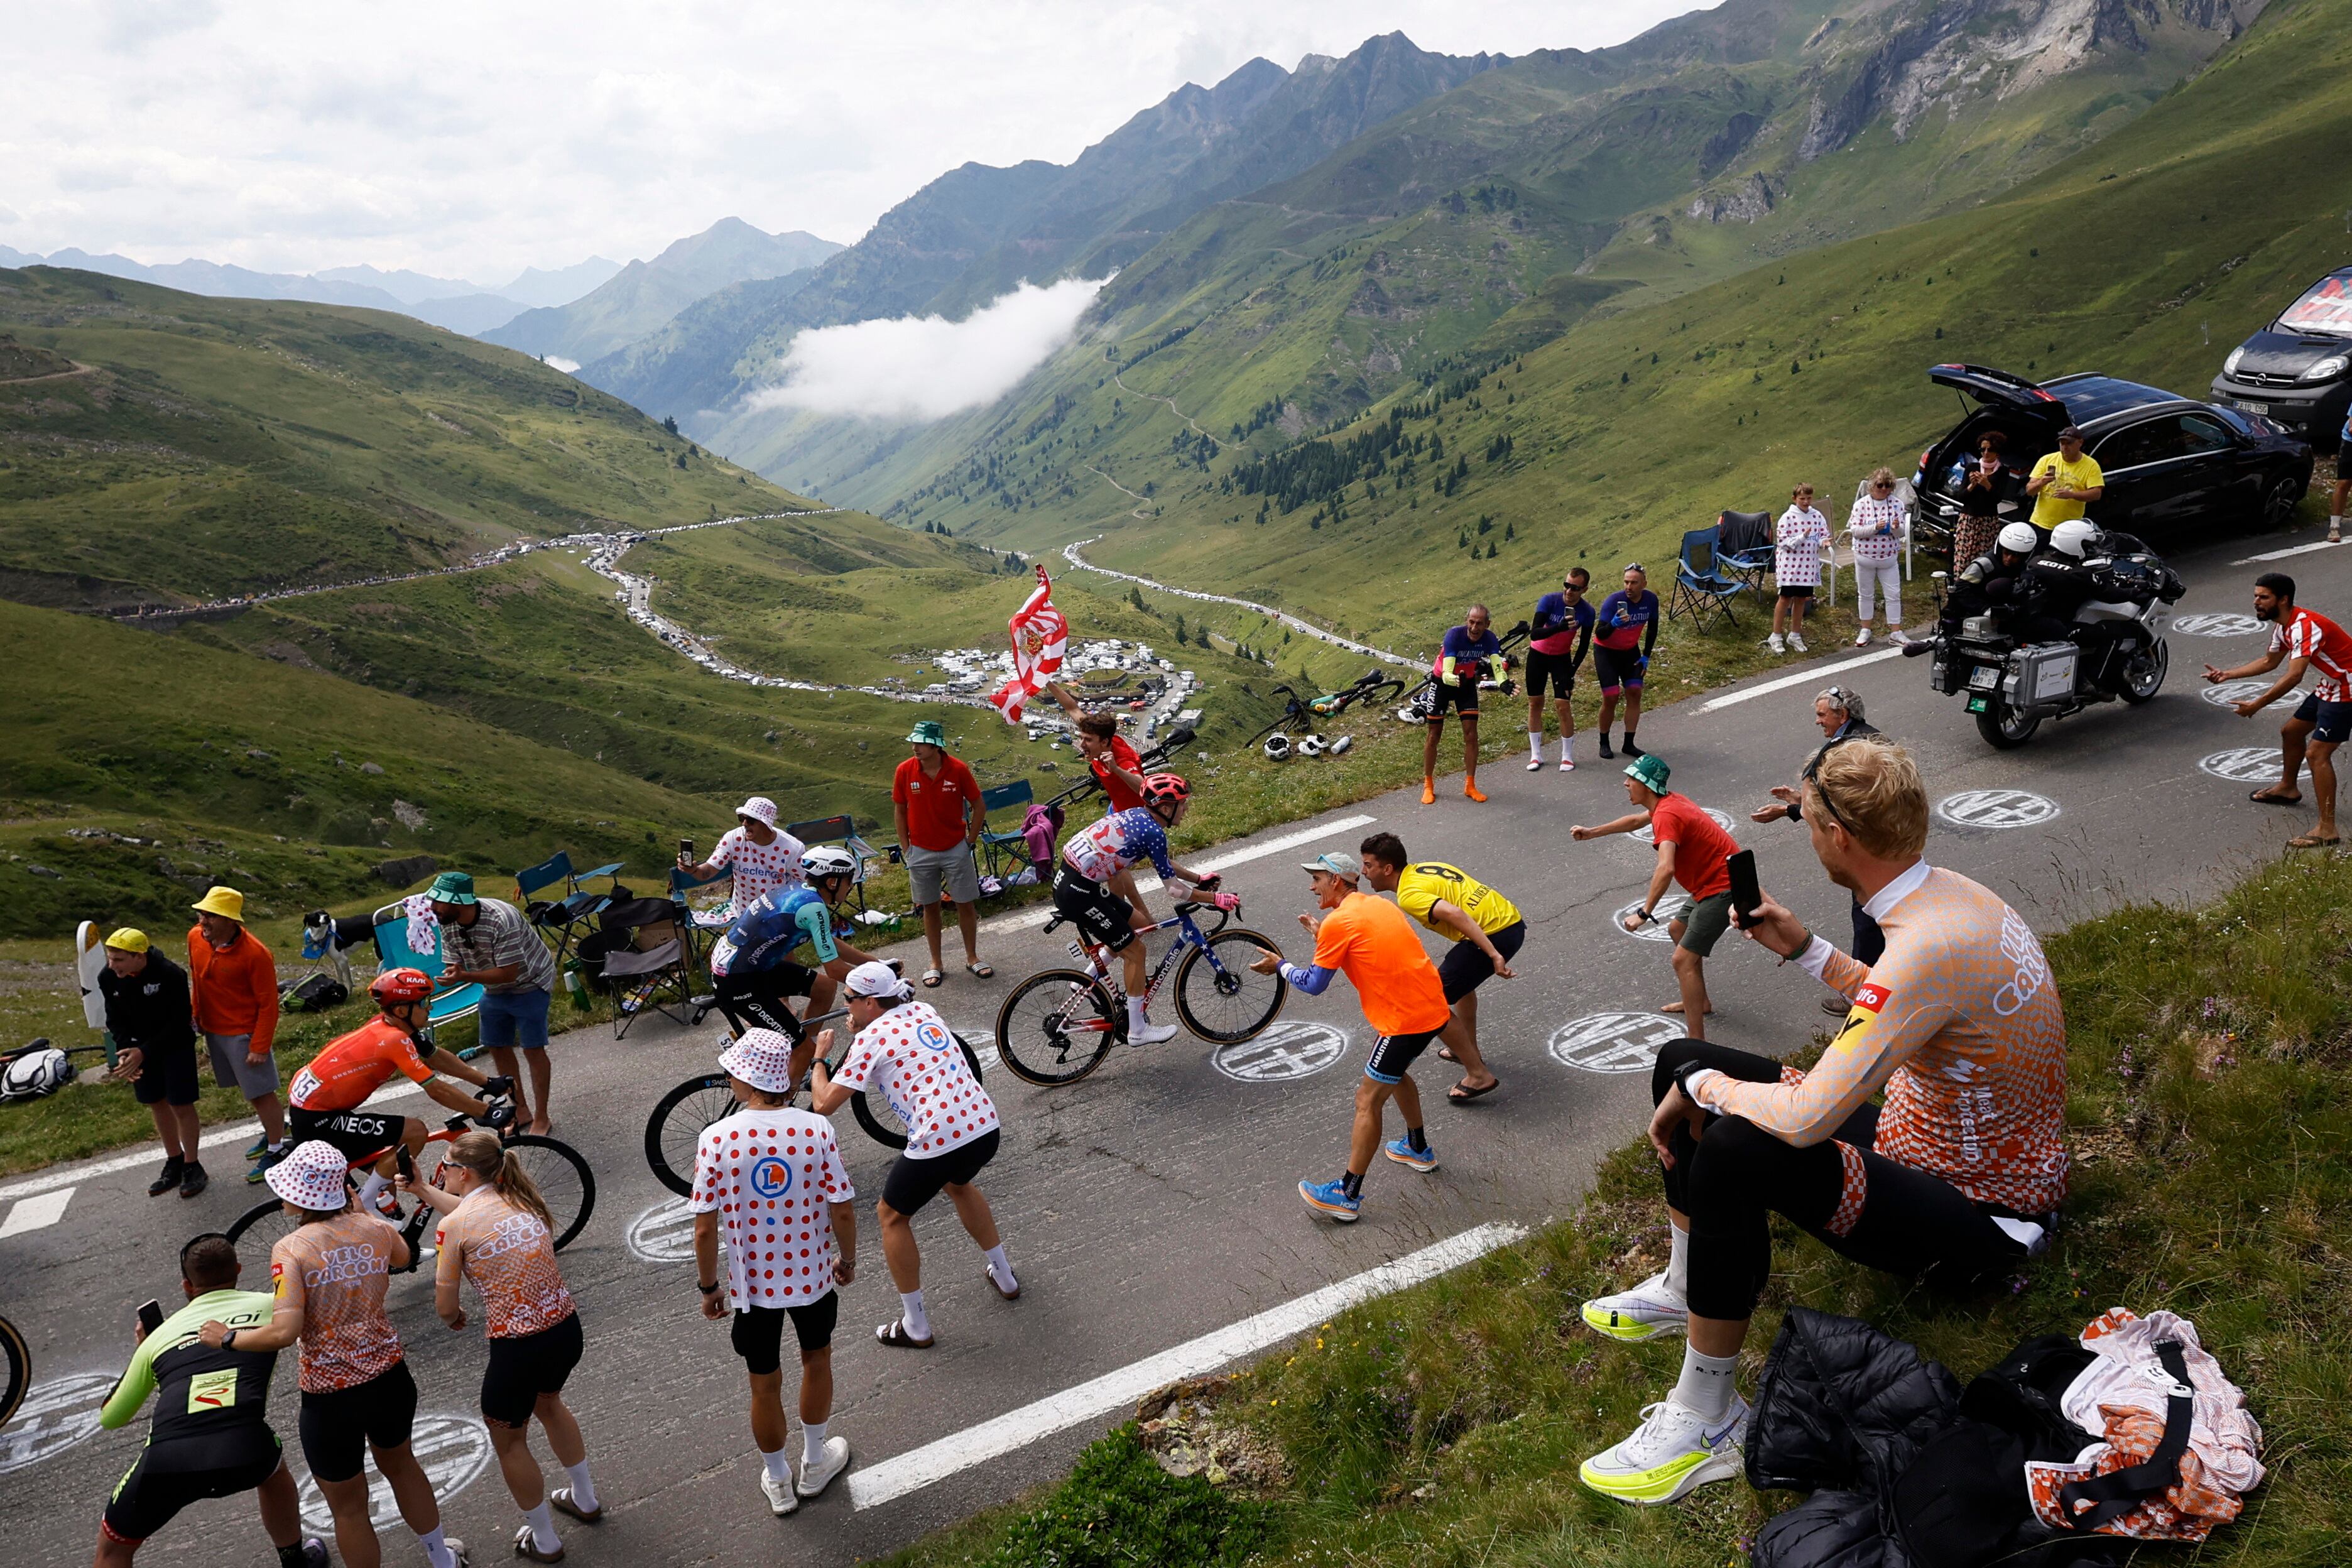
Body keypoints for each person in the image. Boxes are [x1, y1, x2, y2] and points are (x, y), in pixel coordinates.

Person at [1575, 740, 2066, 1507]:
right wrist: (1807, 950)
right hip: (1931, 1143)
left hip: (1990, 1219)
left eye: (1807, 823)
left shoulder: (1925, 948)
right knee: (1679, 1052)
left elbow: (1806, 1123)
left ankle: (1708, 1419)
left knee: (1735, 1140)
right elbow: (1909, 1000)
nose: (1807, 836)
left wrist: (1710, 1088)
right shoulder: (1949, 898)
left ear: (1838, 836)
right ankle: (1685, 1284)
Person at [199, 1141, 466, 1568]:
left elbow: (285, 1331)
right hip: (390, 1379)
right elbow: (404, 1256)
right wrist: (361, 1216)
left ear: (300, 1195)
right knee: (402, 1465)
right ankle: (442, 1559)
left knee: (348, 1507)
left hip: (331, 1398)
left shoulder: (291, 1250)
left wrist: (228, 1338)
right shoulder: (376, 1230)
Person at [403, 1132, 600, 1560]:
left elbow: (445, 1305)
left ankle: (545, 1541)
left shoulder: (453, 1227)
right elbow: (474, 1216)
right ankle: (585, 1499)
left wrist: (454, 1318)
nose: (443, 1172)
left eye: (446, 1167)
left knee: (510, 1441)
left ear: (465, 1173)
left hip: (518, 1347)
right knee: (550, 1404)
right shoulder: (521, 1199)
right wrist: (421, 1189)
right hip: (565, 1330)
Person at [689, 1028, 856, 1516]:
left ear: (745, 1077)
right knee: (816, 1360)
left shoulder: (716, 1138)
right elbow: (841, 1207)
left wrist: (709, 1287)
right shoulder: (815, 1129)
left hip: (750, 1288)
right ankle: (814, 1460)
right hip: (811, 1279)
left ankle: (780, 1481)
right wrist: (845, 1260)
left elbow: (704, 1228)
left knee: (762, 1383)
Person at [92, 1234, 328, 1568]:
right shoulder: (272, 1306)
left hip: (168, 1460)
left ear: (187, 1286)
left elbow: (111, 1418)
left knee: (112, 1550)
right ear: (239, 1271)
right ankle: (294, 1561)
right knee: (274, 1473)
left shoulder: (157, 1338)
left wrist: (141, 1354)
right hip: (245, 1450)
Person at [812, 962, 1012, 1350]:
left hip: (938, 1137)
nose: (846, 1006)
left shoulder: (868, 1041)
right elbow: (893, 1031)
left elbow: (823, 1104)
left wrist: (821, 1056)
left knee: (890, 1216)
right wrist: (864, 1027)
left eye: (849, 1000)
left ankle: (916, 1325)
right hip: (984, 1126)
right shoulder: (924, 1011)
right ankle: (1005, 1277)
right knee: (960, 1185)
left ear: (869, 1002)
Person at [1255, 852, 1453, 1222]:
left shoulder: (1338, 922)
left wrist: (1279, 966)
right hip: (1433, 1011)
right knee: (1393, 1078)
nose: (1311, 886)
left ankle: (1347, 1194)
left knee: (1367, 1100)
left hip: (1403, 1022)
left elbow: (1314, 984)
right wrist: (1322, 935)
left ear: (1336, 881)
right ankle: (1417, 1148)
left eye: (1317, 878)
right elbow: (1363, 944)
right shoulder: (1378, 905)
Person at [285, 967, 511, 1221]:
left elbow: (436, 1057)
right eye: (424, 1002)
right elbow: (436, 1090)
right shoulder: (394, 1040)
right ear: (402, 1010)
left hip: (316, 1109)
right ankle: (366, 1205)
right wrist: (486, 1111)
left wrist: (487, 1082)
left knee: (387, 1172)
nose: (430, 1008)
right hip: (316, 1118)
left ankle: (393, 1239)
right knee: (415, 1132)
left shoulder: (390, 1025)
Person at [1050, 773, 1226, 1045]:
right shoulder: (1154, 832)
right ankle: (1137, 1030)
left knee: (1139, 923)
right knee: (1135, 952)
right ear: (1166, 809)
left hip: (1074, 882)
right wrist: (1214, 899)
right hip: (1079, 893)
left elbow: (1164, 862)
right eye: (1183, 803)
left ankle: (1084, 982)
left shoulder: (1137, 816)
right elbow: (1174, 890)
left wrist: (1199, 878)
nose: (1187, 808)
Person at [1571, 755, 1738, 1042]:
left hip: (1721, 888)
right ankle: (1701, 1002)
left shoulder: (1667, 815)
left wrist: (1644, 912)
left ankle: (1695, 1041)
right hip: (1710, 884)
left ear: (1647, 785)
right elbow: (1636, 821)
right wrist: (1592, 833)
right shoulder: (1667, 802)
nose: (1625, 783)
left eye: (1632, 779)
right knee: (1677, 928)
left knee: (1682, 961)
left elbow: (1666, 867)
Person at [1750, 687, 1886, 1010]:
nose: (1817, 721)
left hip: (1867, 845)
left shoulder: (1845, 748)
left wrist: (1789, 810)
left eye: (1822, 714)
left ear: (1843, 715)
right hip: (1887, 838)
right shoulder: (1874, 739)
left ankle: (1859, 994)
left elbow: (1839, 807)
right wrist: (1800, 800)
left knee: (1868, 918)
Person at [1354, 834, 1511, 1102]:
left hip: (1493, 935)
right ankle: (1468, 1050)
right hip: (1507, 920)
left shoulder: (1409, 895)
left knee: (1432, 1003)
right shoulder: (1423, 869)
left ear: (1388, 869)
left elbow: (1456, 914)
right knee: (1460, 985)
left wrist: (1494, 954)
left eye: (1368, 865)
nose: (1363, 872)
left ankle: (1478, 1074)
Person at [2204, 570, 2352, 849]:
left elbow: (2294, 676)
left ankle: (2327, 829)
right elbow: (2268, 662)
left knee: (2317, 753)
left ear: (2283, 600)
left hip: (2347, 688)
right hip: (2331, 684)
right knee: (2291, 732)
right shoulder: (2284, 625)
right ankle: (2288, 788)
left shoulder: (2304, 627)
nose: (2256, 602)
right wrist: (2228, 674)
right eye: (2255, 596)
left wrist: (2257, 705)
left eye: (2264, 597)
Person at [429, 872, 560, 1137]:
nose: (433, 907)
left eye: (439, 901)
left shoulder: (502, 920)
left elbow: (508, 973)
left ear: (459, 901)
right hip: (494, 988)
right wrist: (453, 971)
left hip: (530, 981)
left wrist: (464, 976)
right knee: (498, 1046)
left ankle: (543, 1117)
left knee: (532, 1049)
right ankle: (521, 1110)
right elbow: (455, 961)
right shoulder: (448, 921)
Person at [708, 845, 877, 1039]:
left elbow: (830, 944)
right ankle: (801, 1056)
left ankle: (807, 1055)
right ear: (832, 882)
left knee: (825, 988)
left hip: (743, 968)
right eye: (849, 883)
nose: (850, 888)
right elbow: (834, 969)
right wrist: (878, 984)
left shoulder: (799, 891)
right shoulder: (814, 908)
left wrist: (876, 964)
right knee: (799, 1050)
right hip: (737, 980)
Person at [187, 886, 286, 1184]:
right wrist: (196, 1015)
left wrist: (259, 1046)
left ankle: (277, 1147)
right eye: (202, 914)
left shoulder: (256, 954)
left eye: (211, 917)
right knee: (251, 1094)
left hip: (243, 1034)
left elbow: (269, 1005)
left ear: (231, 921)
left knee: (261, 1093)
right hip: (215, 1030)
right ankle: (274, 1132)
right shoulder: (195, 937)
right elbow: (196, 977)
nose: (203, 921)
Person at [97, 928, 203, 1199]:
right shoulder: (108, 977)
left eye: (119, 960)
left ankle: (193, 1164)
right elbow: (114, 1018)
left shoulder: (170, 974)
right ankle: (174, 1161)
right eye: (111, 958)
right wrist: (124, 1052)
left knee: (180, 1103)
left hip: (174, 1044)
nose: (113, 965)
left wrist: (143, 1052)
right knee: (156, 1101)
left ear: (139, 957)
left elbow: (179, 1022)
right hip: (137, 1047)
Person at [891, 720, 991, 987]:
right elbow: (900, 810)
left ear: (935, 745)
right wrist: (906, 848)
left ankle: (972, 957)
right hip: (920, 851)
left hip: (955, 848)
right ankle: (936, 963)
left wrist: (969, 841)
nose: (915, 747)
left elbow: (978, 805)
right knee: (929, 906)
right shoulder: (904, 771)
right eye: (914, 742)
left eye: (921, 743)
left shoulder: (958, 769)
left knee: (965, 903)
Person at [1422, 603, 1503, 804]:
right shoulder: (1454, 635)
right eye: (1471, 622)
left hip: (1466, 683)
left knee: (1471, 734)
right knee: (1434, 734)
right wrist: (1450, 677)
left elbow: (1497, 665)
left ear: (1488, 624)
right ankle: (1428, 784)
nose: (1475, 628)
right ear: (1466, 621)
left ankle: (1470, 785)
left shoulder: (1490, 638)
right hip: (1442, 682)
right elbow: (1448, 666)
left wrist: (1504, 682)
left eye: (1480, 624)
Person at [677, 796, 806, 913]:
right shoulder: (734, 838)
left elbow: (807, 884)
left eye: (750, 820)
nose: (744, 824)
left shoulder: (792, 848)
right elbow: (707, 873)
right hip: (742, 914)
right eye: (742, 818)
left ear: (765, 824)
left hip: (779, 915)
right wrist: (693, 870)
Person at [1525, 569, 1596, 771]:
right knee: (1535, 703)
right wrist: (1559, 628)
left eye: (1575, 588)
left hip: (1561, 659)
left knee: (1563, 705)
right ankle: (1536, 755)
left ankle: (1567, 756)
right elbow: (1535, 634)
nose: (1569, 591)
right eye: (1566, 585)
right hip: (1538, 656)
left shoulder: (1587, 611)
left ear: (1584, 590)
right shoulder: (1549, 601)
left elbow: (1583, 646)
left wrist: (1572, 671)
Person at [1047, 680, 1148, 814]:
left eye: (1088, 740)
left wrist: (1116, 769)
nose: (1082, 744)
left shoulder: (1123, 761)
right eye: (1081, 737)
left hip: (1135, 814)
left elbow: (1143, 787)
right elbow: (1072, 708)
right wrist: (1046, 682)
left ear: (1104, 742)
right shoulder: (1099, 734)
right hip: (1116, 807)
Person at [1592, 565, 1661, 759]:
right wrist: (1614, 624)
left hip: (1630, 651)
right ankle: (1604, 742)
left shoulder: (1650, 600)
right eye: (1626, 582)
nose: (1629, 587)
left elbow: (1653, 628)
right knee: (1611, 696)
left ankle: (1629, 744)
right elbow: (1600, 634)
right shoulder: (1613, 601)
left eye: (1634, 583)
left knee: (1634, 692)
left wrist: (1646, 656)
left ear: (1644, 584)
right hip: (1606, 651)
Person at [1768, 484, 1829, 655]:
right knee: (1785, 598)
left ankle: (1795, 634)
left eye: (1809, 498)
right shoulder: (1787, 518)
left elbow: (1822, 535)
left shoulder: (1817, 516)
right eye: (1802, 499)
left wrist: (1824, 542)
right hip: (1790, 566)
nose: (1806, 502)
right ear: (1795, 499)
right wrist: (1802, 537)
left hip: (1808, 565)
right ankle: (1776, 635)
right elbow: (1783, 543)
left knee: (1802, 599)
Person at [1846, 468, 1905, 645]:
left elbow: (1901, 533)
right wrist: (1875, 528)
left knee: (1894, 594)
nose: (1884, 489)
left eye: (1888, 486)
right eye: (1880, 485)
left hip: (1888, 556)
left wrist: (1895, 527)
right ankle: (1865, 629)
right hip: (1865, 556)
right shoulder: (1861, 505)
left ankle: (1896, 632)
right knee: (1865, 594)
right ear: (1872, 486)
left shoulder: (1897, 504)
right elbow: (1855, 532)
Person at [2025, 424, 2103, 530]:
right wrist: (2041, 482)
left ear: (2080, 443)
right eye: (2062, 443)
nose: (2065, 448)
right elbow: (2030, 491)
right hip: (2040, 523)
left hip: (2070, 528)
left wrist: (2072, 495)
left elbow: (2096, 494)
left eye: (2069, 444)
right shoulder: (2047, 460)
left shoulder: (2091, 465)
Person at [1952, 431, 2014, 567]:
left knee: (1983, 559)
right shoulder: (1972, 467)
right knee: (1963, 557)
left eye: (1990, 450)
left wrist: (1987, 485)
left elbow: (1997, 499)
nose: (1986, 453)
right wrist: (1972, 485)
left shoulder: (2003, 471)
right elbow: (1961, 496)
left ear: (1997, 451)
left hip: (1988, 521)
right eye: (1983, 449)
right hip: (1968, 519)